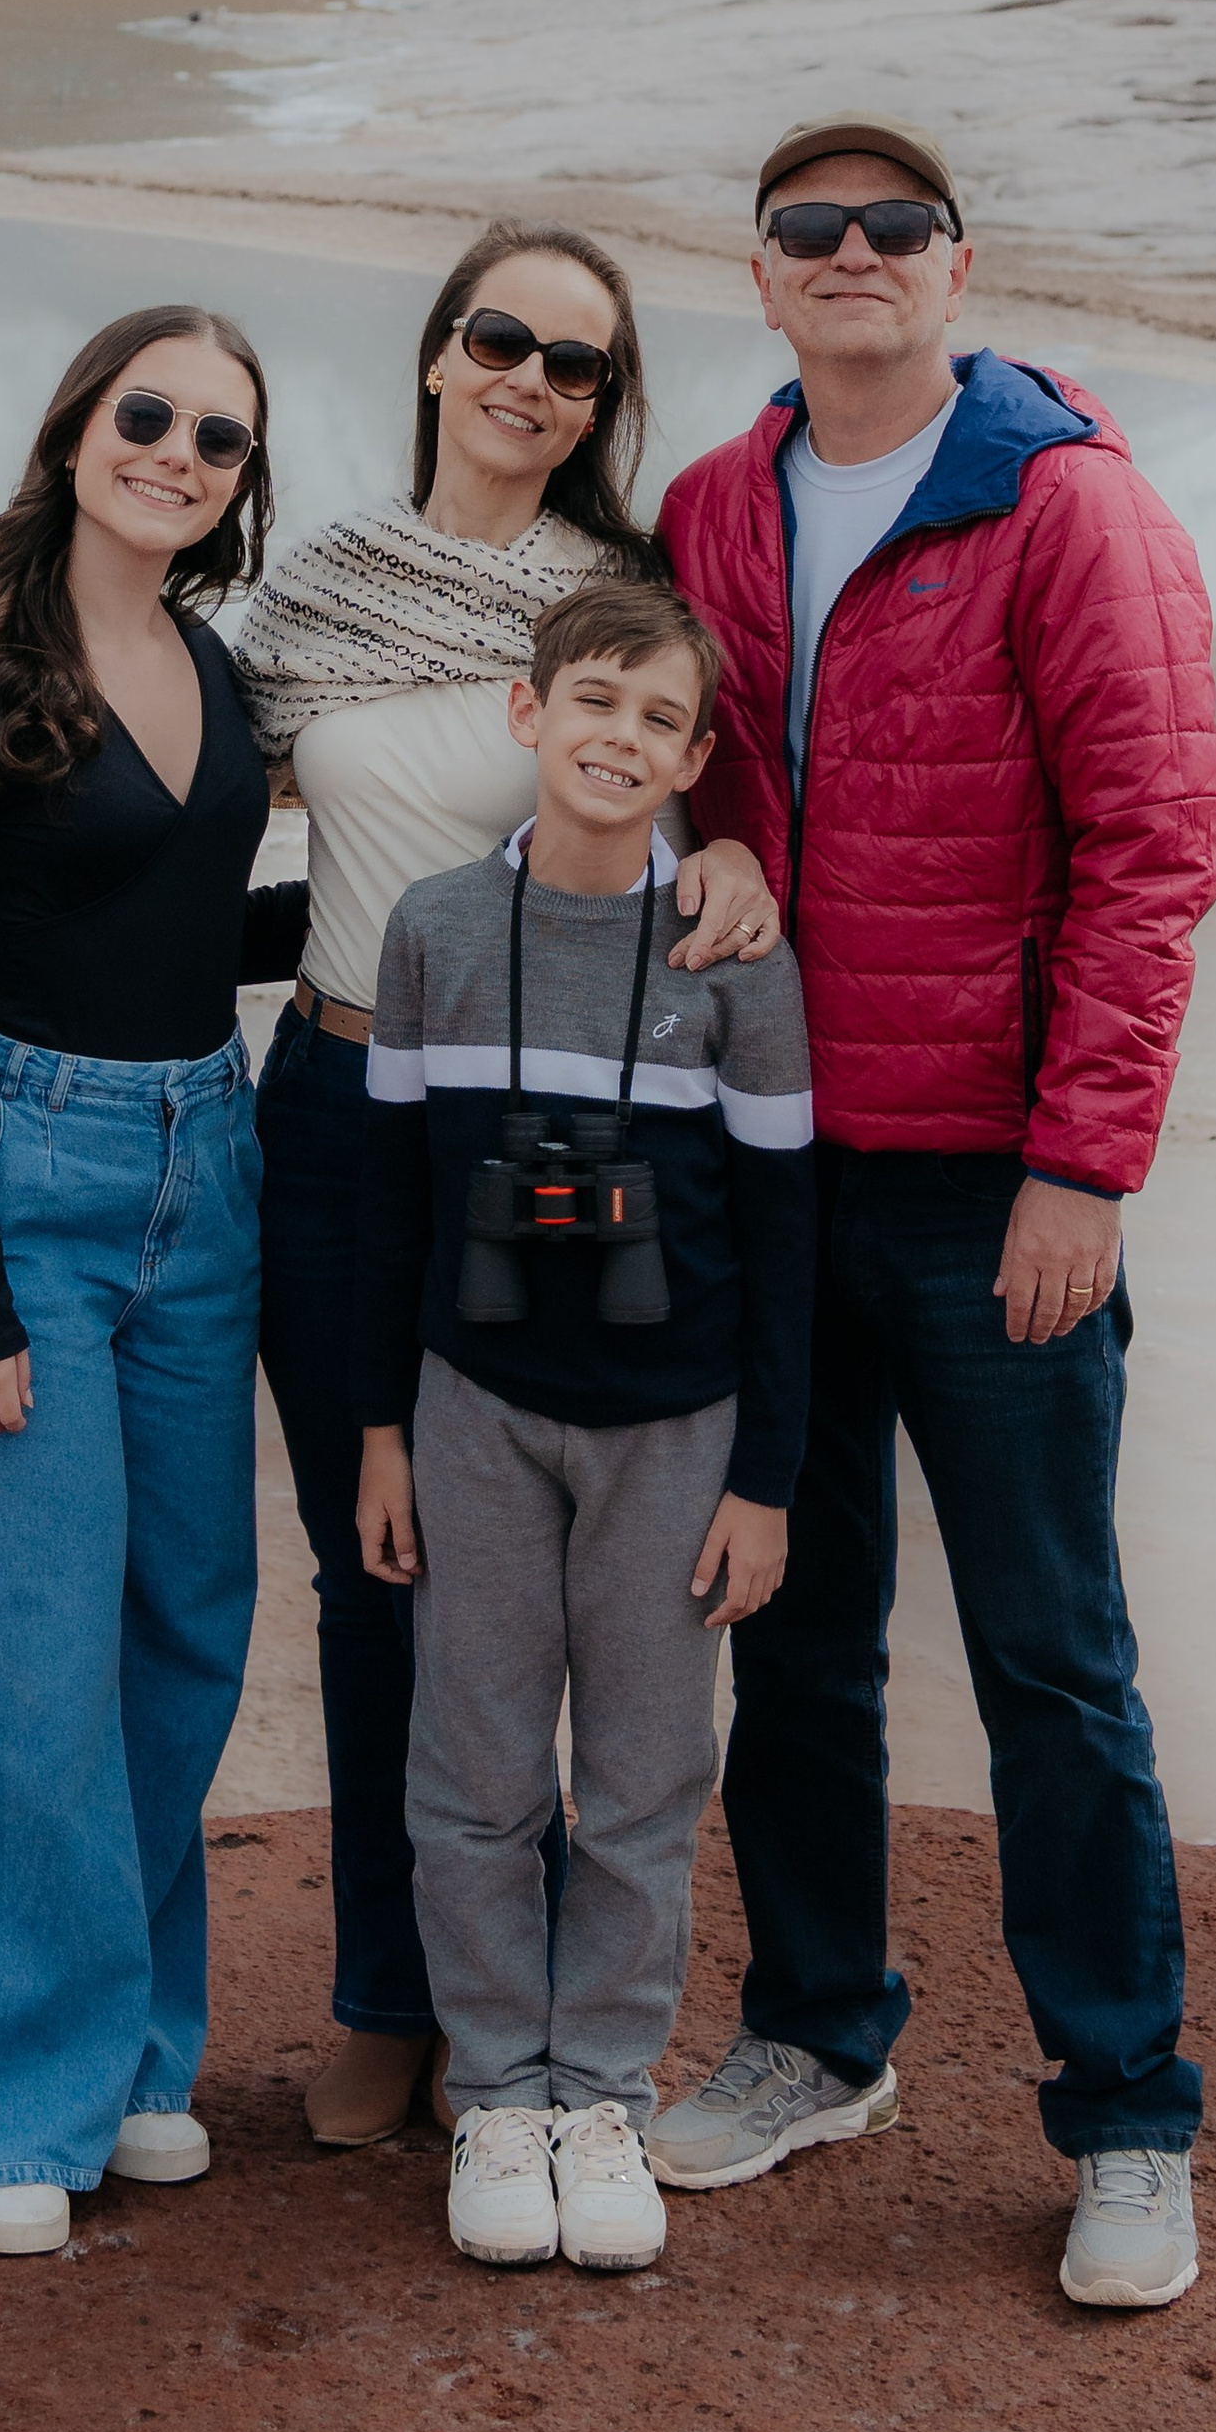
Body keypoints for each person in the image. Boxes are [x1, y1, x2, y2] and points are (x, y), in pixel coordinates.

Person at [649, 114, 1216, 2313]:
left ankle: (1123, 2112)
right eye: (812, 229)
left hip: (993, 1192)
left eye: (895, 226)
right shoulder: (716, 501)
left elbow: (1149, 850)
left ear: (957, 269)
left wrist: (1081, 1162)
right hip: (776, 1174)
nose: (854, 254)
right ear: (767, 276)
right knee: (788, 1634)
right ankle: (815, 2029)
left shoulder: (1064, 505)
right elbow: (677, 781)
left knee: (1048, 1659)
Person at [230, 224, 779, 2147]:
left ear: (602, 402)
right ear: (443, 353)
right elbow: (193, 803)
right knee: (381, 1564)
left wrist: (741, 870)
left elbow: (692, 808)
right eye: (502, 339)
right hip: (336, 1103)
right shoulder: (310, 598)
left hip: (573, 1137)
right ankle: (402, 1994)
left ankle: (568, 2031)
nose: (534, 379)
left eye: (579, 363)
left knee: (586, 1605)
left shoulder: (617, 608)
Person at [0, 305, 309, 2260]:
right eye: (147, 414)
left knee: (178, 1624)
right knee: (15, 1656)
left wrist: (501, 889)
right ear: (72, 433)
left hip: (206, 1164)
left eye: (216, 436)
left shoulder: (210, 665)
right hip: (19, 1174)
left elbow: (199, 920)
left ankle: (127, 2054)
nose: (177, 453)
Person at [352, 578, 816, 2276]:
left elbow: (786, 1239)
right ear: (527, 714)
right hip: (472, 1412)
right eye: (595, 699)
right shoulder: (433, 932)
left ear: (697, 756)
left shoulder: (733, 957)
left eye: (661, 718)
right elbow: (393, 1209)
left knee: (640, 1774)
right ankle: (495, 2091)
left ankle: (600, 2088)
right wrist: (383, 1428)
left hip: (674, 1430)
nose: (622, 735)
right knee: (471, 1770)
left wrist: (765, 1473)